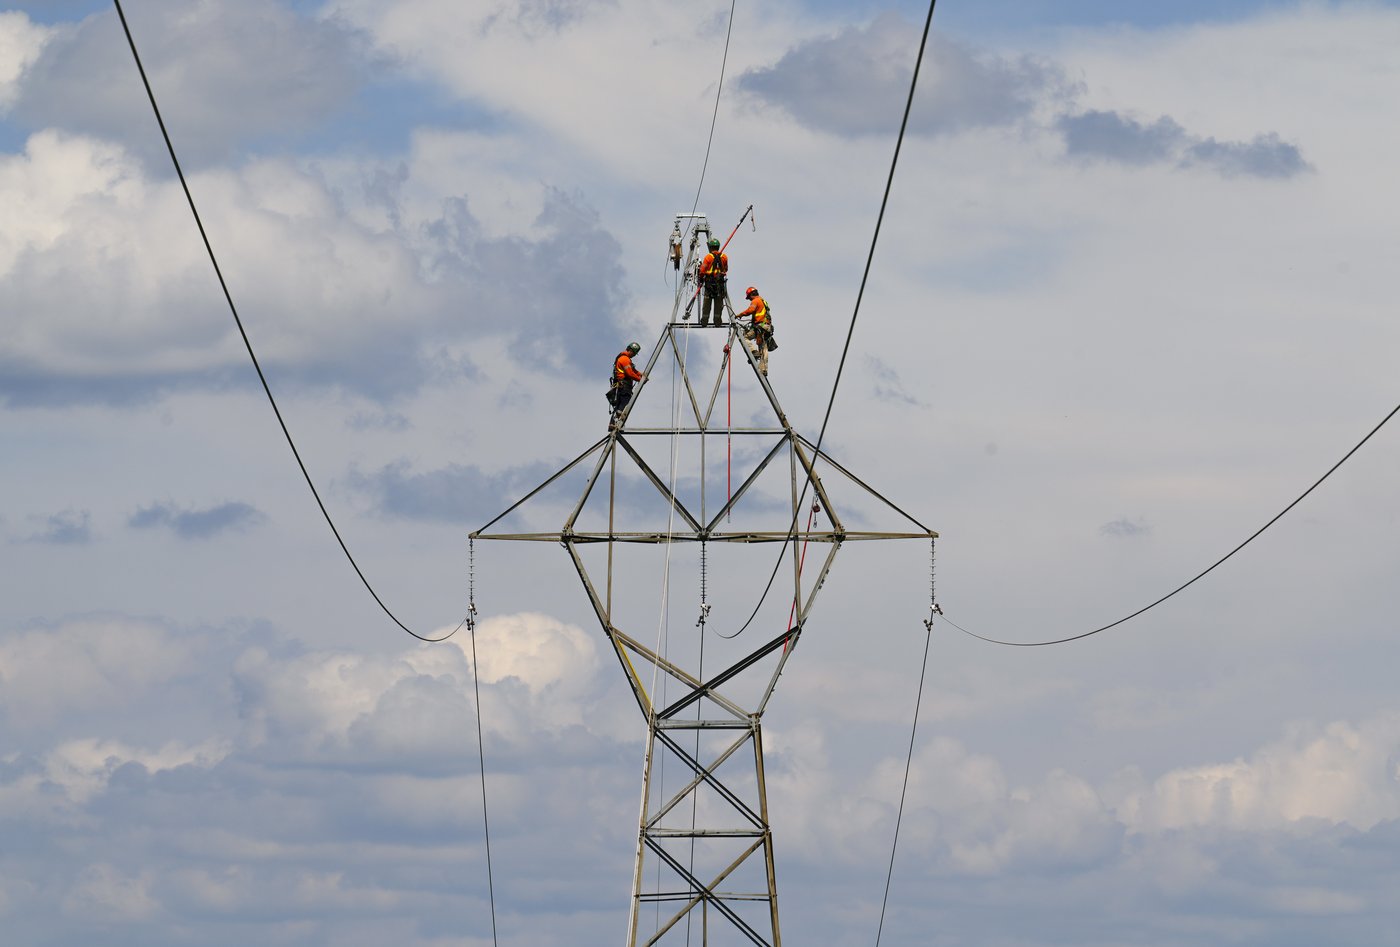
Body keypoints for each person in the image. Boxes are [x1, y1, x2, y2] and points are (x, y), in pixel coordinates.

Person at [737, 286, 775, 376]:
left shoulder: (756, 301)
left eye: (749, 297)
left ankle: (753, 352)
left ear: (751, 294)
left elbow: (751, 310)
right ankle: (764, 369)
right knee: (763, 348)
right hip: (766, 327)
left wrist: (740, 314)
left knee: (744, 337)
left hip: (760, 326)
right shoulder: (763, 301)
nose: (749, 300)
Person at [608, 342, 644, 425]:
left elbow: (633, 370)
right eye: (634, 353)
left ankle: (612, 423)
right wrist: (640, 380)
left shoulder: (623, 358)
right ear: (631, 350)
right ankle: (618, 417)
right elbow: (630, 373)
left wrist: (641, 375)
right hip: (624, 385)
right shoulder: (624, 359)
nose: (634, 355)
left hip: (620, 385)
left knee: (619, 405)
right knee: (624, 402)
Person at [697, 237, 728, 326]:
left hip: (709, 285)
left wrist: (701, 278)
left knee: (707, 304)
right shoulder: (724, 257)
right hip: (720, 285)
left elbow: (702, 271)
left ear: (710, 247)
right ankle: (717, 322)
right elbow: (726, 269)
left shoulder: (708, 257)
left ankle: (704, 321)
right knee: (719, 304)